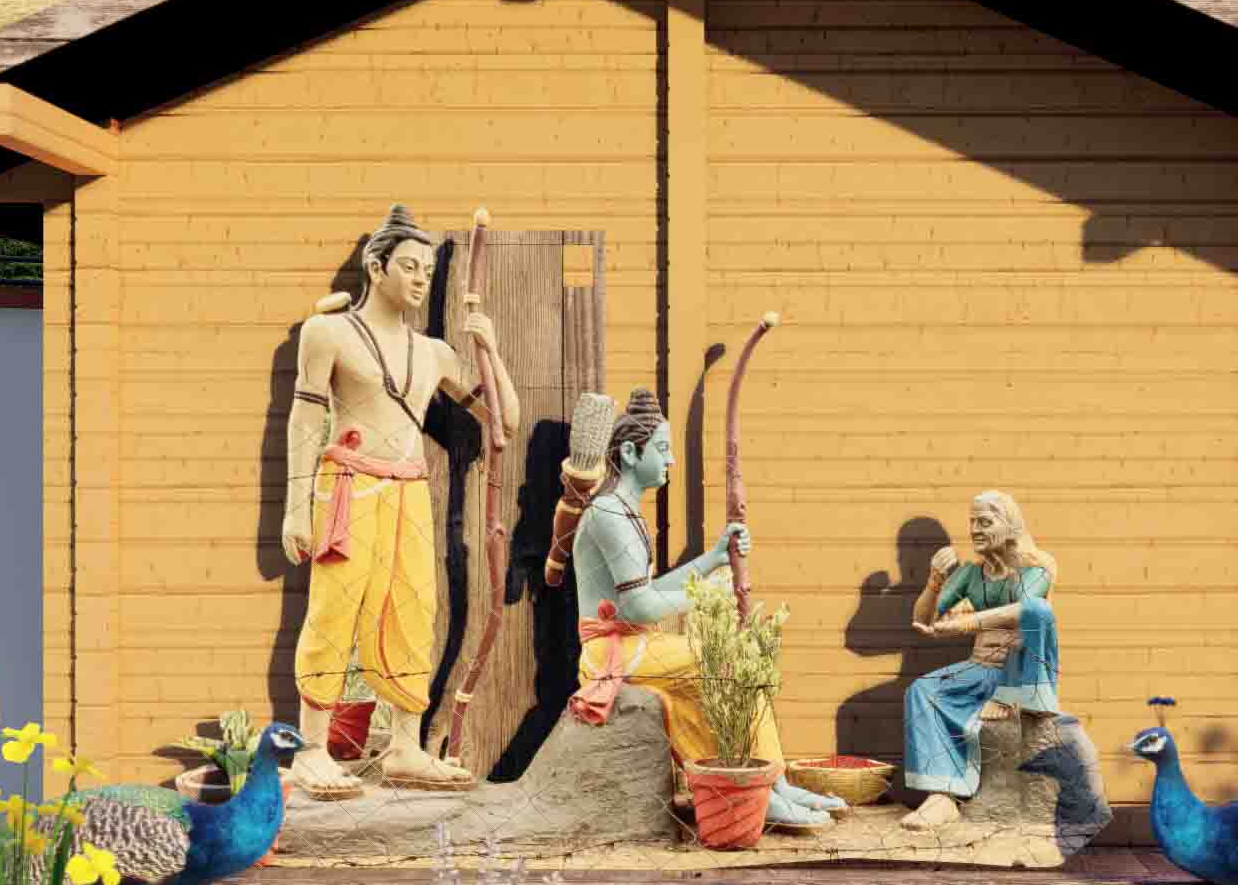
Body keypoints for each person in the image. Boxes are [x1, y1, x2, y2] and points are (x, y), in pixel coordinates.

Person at [277, 204, 510, 798]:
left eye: (427, 271)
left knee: (413, 610)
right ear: (375, 267)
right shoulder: (327, 332)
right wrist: (295, 507)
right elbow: (304, 421)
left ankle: (406, 745)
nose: (420, 279)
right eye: (409, 266)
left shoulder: (432, 353)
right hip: (347, 488)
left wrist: (489, 348)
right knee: (333, 610)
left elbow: (501, 419)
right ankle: (311, 749)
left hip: (409, 492)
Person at [564, 389, 841, 832]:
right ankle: (758, 787)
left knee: (741, 661)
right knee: (725, 659)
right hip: (611, 654)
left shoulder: (623, 511)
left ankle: (774, 782)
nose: (671, 460)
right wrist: (709, 595)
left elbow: (649, 591)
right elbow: (640, 605)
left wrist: (713, 558)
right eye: (662, 449)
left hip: (637, 644)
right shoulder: (610, 515)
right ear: (631, 454)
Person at [898, 490, 1062, 830]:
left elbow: (1025, 609)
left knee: (1039, 611)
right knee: (922, 690)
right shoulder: (973, 574)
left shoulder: (1038, 566)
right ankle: (943, 796)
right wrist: (934, 581)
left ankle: (1020, 699)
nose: (974, 530)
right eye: (972, 522)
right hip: (982, 667)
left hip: (1022, 671)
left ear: (1010, 525)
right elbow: (922, 620)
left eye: (984, 522)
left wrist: (966, 623)